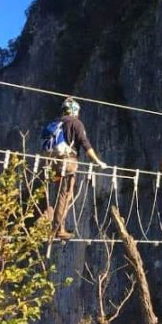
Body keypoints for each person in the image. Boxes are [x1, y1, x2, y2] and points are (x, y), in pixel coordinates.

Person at [49, 97, 107, 240]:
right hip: (68, 162)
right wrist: (98, 162)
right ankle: (57, 229)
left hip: (54, 162)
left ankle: (55, 225)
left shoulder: (57, 123)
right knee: (65, 194)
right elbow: (85, 144)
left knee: (60, 194)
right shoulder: (76, 123)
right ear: (75, 111)